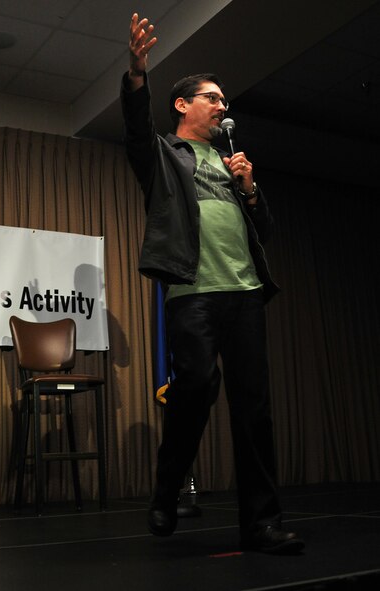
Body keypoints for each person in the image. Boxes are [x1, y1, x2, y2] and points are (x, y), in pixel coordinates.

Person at [121, 13, 304, 554]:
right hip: (192, 292)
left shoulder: (232, 163)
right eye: (212, 97)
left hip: (245, 292)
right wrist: (136, 72)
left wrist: (249, 189)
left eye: (225, 100)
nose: (223, 105)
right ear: (183, 105)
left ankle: (262, 525)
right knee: (195, 387)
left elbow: (263, 233)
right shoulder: (162, 154)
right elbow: (134, 125)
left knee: (254, 410)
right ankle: (167, 486)